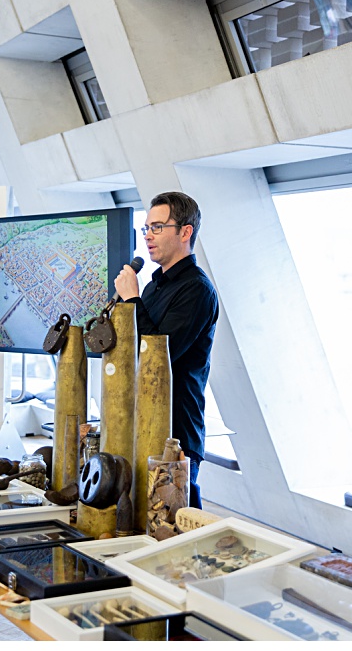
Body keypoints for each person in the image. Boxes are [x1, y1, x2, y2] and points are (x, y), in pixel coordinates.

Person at [114, 191, 219, 509]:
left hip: (176, 432)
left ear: (185, 232)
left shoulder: (197, 290)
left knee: (170, 529)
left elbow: (156, 358)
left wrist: (132, 301)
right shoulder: (153, 285)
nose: (148, 236)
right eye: (146, 228)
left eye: (157, 227)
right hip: (141, 420)